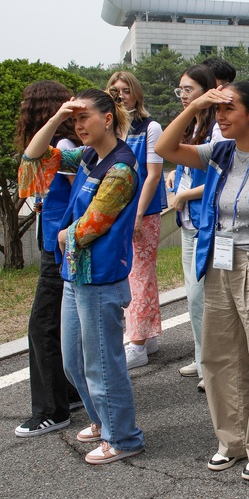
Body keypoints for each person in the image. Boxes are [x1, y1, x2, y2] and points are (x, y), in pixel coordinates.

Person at [156, 81, 249, 481]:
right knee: (219, 356)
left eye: (228, 110)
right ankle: (232, 440)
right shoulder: (219, 152)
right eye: (217, 111)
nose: (220, 118)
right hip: (217, 261)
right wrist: (196, 106)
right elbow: (164, 149)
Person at [19, 88, 146, 464]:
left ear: (107, 118)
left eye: (83, 117)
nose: (78, 125)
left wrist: (62, 234)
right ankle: (101, 421)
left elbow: (91, 227)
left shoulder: (120, 168)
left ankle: (123, 437)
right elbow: (34, 159)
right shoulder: (89, 156)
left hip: (100, 279)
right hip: (75, 273)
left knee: (102, 362)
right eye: (74, 120)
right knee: (72, 360)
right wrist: (57, 118)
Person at [14, 80, 83, 438]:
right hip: (57, 243)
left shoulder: (66, 146)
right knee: (56, 325)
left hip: (61, 246)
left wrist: (68, 238)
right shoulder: (60, 144)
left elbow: (79, 198)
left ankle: (50, 410)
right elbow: (30, 161)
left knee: (43, 326)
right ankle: (68, 394)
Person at [167, 64, 224, 390]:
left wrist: (186, 192)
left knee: (203, 296)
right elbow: (180, 159)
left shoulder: (218, 127)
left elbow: (222, 175)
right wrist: (177, 176)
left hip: (205, 221)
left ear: (207, 91)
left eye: (189, 89)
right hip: (189, 221)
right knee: (193, 297)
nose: (184, 95)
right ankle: (203, 356)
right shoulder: (192, 125)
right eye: (181, 91)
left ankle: (212, 367)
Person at [105, 71, 165, 369]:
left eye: (125, 90)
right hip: (117, 211)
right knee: (133, 275)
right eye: (114, 90)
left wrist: (138, 214)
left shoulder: (149, 127)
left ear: (136, 93)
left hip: (144, 210)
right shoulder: (111, 128)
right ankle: (147, 335)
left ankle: (137, 343)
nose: (120, 95)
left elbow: (154, 174)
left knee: (139, 276)